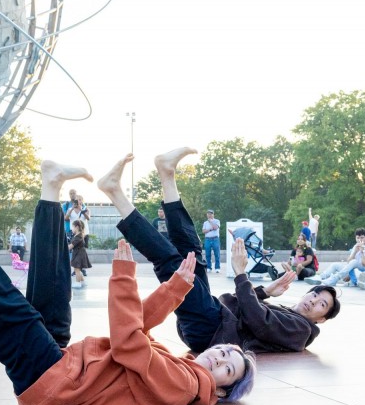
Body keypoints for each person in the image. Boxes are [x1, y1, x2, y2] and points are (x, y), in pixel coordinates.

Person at [0, 161, 255, 405]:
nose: (219, 358)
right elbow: (141, 326)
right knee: (53, 297)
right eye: (225, 352)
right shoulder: (180, 366)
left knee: (2, 302)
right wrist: (175, 290)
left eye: (228, 369)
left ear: (223, 391)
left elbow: (128, 344)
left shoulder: (186, 385)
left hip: (52, 382)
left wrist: (124, 278)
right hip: (65, 367)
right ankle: (50, 188)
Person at [101, 148, 340, 354]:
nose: (314, 300)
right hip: (212, 319)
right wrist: (265, 291)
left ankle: (114, 193)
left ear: (321, 319)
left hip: (211, 331)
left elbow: (257, 321)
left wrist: (240, 273)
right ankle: (167, 174)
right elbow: (244, 308)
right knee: (192, 253)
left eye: (322, 305)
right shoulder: (291, 317)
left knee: (173, 263)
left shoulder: (301, 331)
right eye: (315, 295)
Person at [68, 220, 91, 289]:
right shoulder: (78, 235)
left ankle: (78, 283)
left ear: (77, 227)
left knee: (77, 269)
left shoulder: (79, 236)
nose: (72, 229)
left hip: (79, 254)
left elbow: (71, 246)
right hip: (78, 253)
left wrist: (63, 248)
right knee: (78, 269)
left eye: (73, 227)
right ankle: (83, 282)